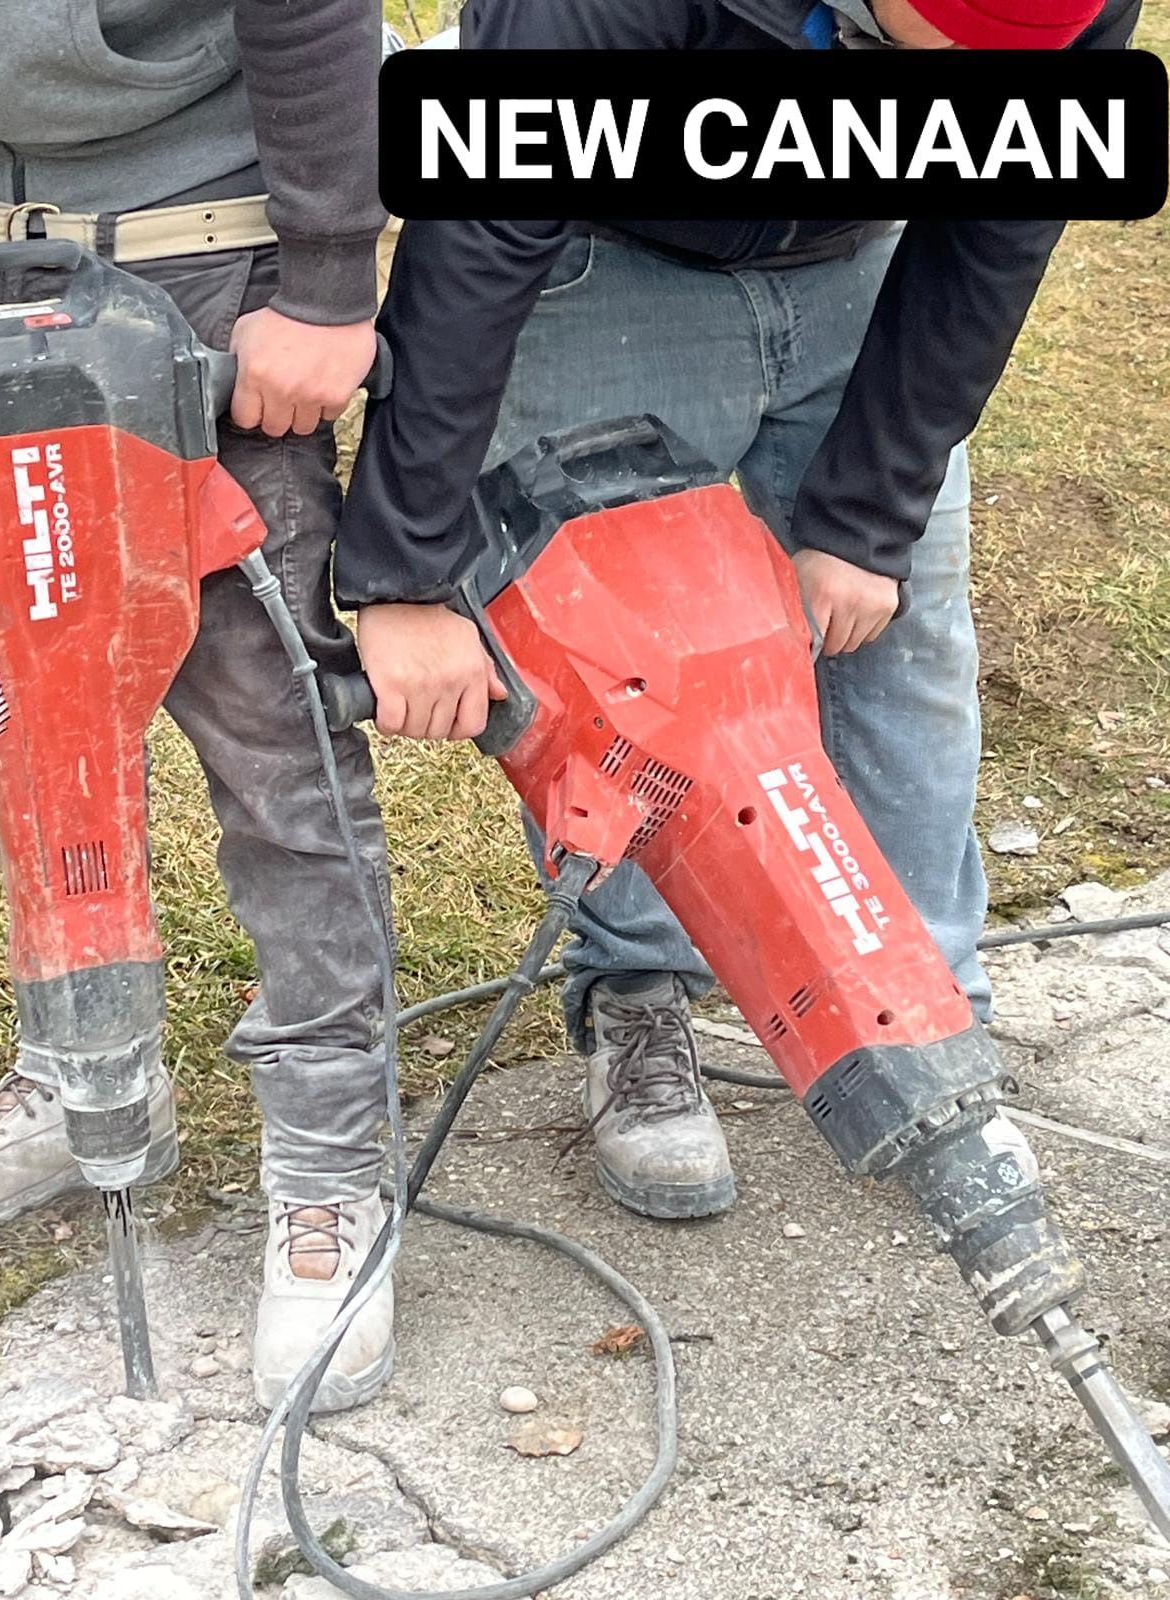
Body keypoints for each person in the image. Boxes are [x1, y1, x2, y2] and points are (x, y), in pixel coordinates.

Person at [343, 0, 1140, 1221]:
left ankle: (929, 1025)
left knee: (904, 639)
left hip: (854, 269)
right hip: (602, 249)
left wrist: (868, 519)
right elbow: (484, 217)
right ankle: (639, 996)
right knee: (628, 670)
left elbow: (999, 213)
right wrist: (401, 573)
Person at [0, 2, 397, 1414]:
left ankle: (334, 1155)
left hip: (206, 270)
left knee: (279, 746)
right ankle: (85, 1070)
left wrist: (332, 282)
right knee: (27, 715)